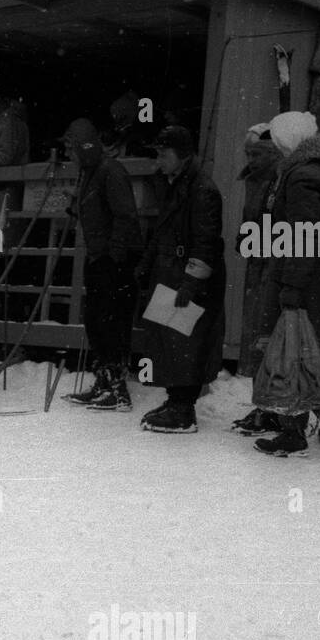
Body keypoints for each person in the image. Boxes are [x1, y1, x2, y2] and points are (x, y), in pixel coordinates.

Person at [251, 111, 320, 456]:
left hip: (300, 279)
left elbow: (303, 237)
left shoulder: (301, 177)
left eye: (278, 142)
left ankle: (292, 431)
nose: (276, 149)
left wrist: (290, 286)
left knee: (286, 355)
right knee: (308, 356)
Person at [136, 125, 225, 434]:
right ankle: (175, 399)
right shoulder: (178, 184)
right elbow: (162, 230)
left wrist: (192, 283)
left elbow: (206, 241)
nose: (159, 161)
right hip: (172, 271)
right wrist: (146, 265)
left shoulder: (201, 189)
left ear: (182, 154)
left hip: (186, 275)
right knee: (171, 342)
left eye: (164, 154)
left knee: (186, 342)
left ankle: (184, 408)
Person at [57, 118, 142, 412]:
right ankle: (103, 380)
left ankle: (117, 389)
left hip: (113, 260)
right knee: (95, 320)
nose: (69, 155)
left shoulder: (110, 171)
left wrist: (115, 256)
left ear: (85, 148)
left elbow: (125, 215)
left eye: (72, 149)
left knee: (110, 322)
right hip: (99, 256)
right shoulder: (89, 172)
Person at [231, 123, 285, 436]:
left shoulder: (279, 180)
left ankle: (273, 408)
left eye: (257, 154)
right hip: (257, 266)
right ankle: (263, 405)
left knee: (267, 338)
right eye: (248, 153)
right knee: (256, 338)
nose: (251, 159)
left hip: (271, 268)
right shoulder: (254, 180)